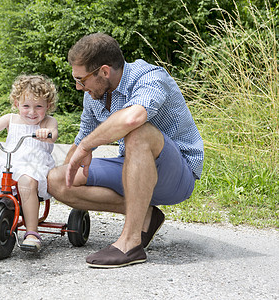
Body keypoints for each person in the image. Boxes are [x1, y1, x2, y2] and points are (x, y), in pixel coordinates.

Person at [47, 33, 204, 268]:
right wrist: (45, 184)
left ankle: (131, 243)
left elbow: (133, 118)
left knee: (138, 131)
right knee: (57, 179)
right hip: (134, 170)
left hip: (176, 175)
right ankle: (147, 216)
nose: (79, 87)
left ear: (104, 71)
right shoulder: (94, 95)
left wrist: (89, 145)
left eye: (81, 80)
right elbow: (81, 141)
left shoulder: (150, 77)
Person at [0, 74, 59, 252]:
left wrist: (46, 133)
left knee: (26, 180)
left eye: (38, 106)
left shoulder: (48, 121)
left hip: (34, 166)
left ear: (48, 106)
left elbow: (52, 135)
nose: (32, 112)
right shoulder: (10, 119)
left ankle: (32, 232)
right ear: (16, 104)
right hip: (11, 162)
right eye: (26, 106)